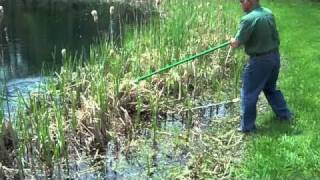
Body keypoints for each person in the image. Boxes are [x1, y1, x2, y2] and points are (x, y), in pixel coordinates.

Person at [230, 0, 293, 133]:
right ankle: (285, 115)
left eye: (242, 1)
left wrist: (233, 42)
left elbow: (237, 43)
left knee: (248, 93)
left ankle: (247, 128)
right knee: (270, 88)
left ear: (250, 1)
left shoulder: (248, 19)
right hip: (274, 57)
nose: (240, 3)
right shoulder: (268, 13)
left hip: (260, 61)